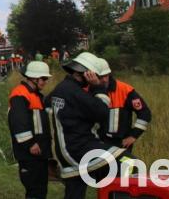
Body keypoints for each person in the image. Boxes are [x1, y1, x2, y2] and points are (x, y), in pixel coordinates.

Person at [45, 52, 126, 199]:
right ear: (87, 73)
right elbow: (102, 113)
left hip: (66, 149)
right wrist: (98, 88)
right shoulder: (75, 92)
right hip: (80, 149)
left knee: (75, 189)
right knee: (129, 163)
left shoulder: (62, 88)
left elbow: (47, 105)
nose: (97, 79)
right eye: (95, 75)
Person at [8, 61, 52, 199]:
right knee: (34, 190)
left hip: (39, 153)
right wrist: (30, 143)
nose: (45, 82)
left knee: (40, 190)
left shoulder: (36, 95)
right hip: (29, 153)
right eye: (43, 79)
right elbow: (19, 123)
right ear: (33, 78)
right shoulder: (20, 95)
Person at [94, 58, 151, 151]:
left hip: (121, 144)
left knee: (126, 165)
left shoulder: (125, 90)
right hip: (96, 144)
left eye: (106, 76)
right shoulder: (86, 90)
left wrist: (133, 136)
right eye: (100, 77)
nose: (104, 80)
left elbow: (145, 113)